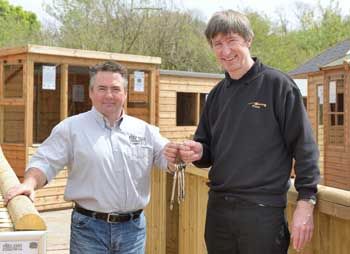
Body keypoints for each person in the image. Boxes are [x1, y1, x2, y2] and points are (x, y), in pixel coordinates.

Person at [164, 10, 320, 254]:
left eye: (232, 41)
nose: (225, 51)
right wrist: (198, 150)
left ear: (248, 40)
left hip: (262, 211)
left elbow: (305, 148)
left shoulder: (278, 85)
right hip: (218, 211)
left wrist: (306, 201)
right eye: (218, 44)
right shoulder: (216, 95)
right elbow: (207, 152)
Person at [5, 61, 174, 254]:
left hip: (133, 232)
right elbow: (45, 161)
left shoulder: (145, 130)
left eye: (115, 89)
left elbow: (167, 157)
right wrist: (29, 183)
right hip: (89, 229)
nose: (109, 95)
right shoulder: (71, 128)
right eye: (102, 88)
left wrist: (179, 156)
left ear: (125, 94)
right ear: (91, 92)